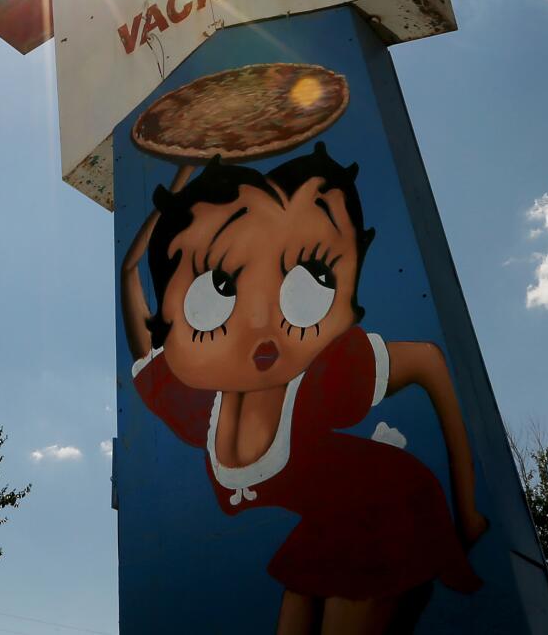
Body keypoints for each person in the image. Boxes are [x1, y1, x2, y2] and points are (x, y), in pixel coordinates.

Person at [121, 145, 488, 635]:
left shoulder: (324, 379)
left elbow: (428, 359)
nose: (261, 325)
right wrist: (177, 187)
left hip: (390, 510)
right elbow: (130, 276)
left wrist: (467, 509)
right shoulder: (193, 413)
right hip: (328, 527)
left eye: (308, 284)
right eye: (217, 292)